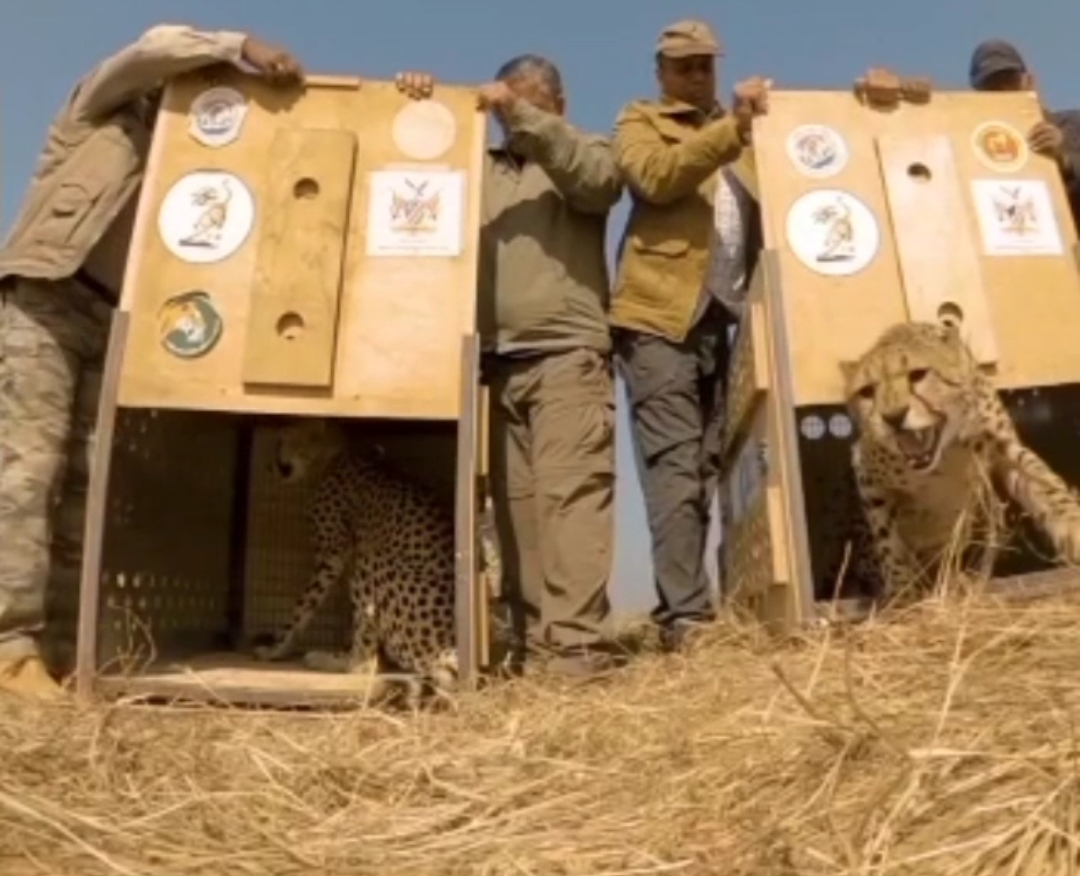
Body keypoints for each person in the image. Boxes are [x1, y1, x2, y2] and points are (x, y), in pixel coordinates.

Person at [0, 24, 307, 699]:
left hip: (115, 322)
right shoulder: (102, 105)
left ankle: (57, 652)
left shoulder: (187, 158)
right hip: (47, 296)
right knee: (27, 474)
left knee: (87, 488)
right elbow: (153, 47)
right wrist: (242, 44)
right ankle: (7, 649)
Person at [406, 57, 623, 677]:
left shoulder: (585, 150)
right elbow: (413, 187)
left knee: (571, 501)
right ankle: (535, 650)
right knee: (518, 511)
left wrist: (516, 113)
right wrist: (419, 105)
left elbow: (600, 182)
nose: (512, 111)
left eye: (528, 99)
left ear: (557, 102)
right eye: (507, 100)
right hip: (494, 366)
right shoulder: (480, 167)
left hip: (566, 358)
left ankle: (579, 650)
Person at [608, 19, 769, 653]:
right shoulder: (640, 120)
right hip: (656, 319)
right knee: (674, 468)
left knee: (710, 467)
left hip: (722, 323)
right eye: (685, 66)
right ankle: (688, 621)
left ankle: (692, 606)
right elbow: (654, 177)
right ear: (661, 72)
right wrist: (733, 129)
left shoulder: (750, 138)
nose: (698, 75)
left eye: (706, 64)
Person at [968, 39, 1080, 229]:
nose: (1003, 92)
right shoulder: (977, 150)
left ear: (1029, 81)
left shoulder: (1073, 124)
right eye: (992, 87)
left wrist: (1065, 158)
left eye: (1010, 81)